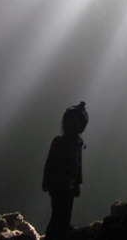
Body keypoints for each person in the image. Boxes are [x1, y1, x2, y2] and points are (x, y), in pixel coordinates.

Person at [43, 102, 88, 240]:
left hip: (68, 186)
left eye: (77, 121)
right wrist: (46, 180)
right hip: (57, 184)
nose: (73, 124)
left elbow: (78, 165)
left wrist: (78, 184)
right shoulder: (59, 141)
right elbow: (50, 162)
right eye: (72, 121)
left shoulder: (77, 144)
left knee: (65, 215)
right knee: (58, 215)